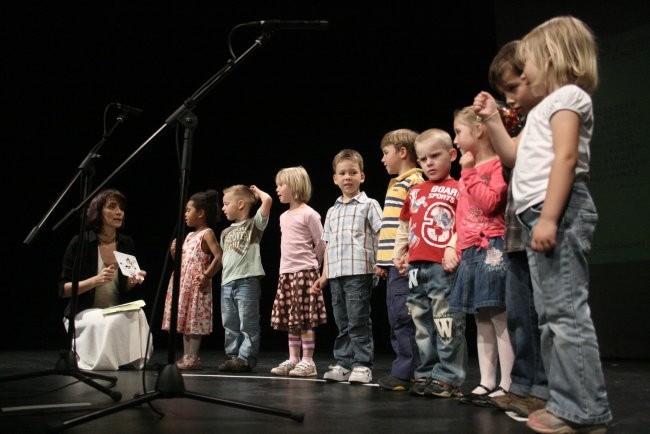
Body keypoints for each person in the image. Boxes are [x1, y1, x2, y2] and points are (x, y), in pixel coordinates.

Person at [474, 15, 612, 433]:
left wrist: (549, 217)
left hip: (560, 211)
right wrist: (493, 121)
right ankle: (571, 403)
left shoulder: (569, 96)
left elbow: (566, 159)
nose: (525, 69)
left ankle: (583, 409)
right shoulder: (542, 109)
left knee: (566, 316)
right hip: (538, 212)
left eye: (528, 61)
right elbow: (514, 157)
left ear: (550, 57)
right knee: (552, 318)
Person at [479, 40, 548, 417]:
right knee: (520, 313)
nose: (511, 99)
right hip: (516, 231)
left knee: (541, 315)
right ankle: (523, 386)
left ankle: (543, 387)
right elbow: (512, 168)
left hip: (537, 224)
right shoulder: (519, 124)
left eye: (513, 88)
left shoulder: (547, 117)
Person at [393, 128, 467, 398]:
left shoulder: (459, 188)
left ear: (452, 154)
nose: (429, 163)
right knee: (421, 322)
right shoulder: (415, 191)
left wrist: (452, 246)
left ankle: (449, 376)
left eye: (435, 156)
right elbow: (406, 225)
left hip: (441, 267)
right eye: (423, 159)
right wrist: (400, 253)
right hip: (415, 266)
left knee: (446, 320)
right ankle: (426, 372)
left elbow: (465, 222)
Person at [448, 107, 514, 406]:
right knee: (481, 317)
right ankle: (487, 381)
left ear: (478, 130)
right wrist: (457, 246)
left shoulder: (496, 164)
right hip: (471, 250)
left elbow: (489, 203)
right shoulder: (471, 168)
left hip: (493, 247)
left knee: (499, 315)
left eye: (459, 132)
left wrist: (468, 172)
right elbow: (462, 216)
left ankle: (508, 382)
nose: (455, 138)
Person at [311, 149, 383, 384]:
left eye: (353, 172)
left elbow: (382, 234)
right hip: (336, 275)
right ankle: (344, 362)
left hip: (359, 271)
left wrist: (381, 262)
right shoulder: (332, 211)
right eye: (342, 173)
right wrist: (324, 275)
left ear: (362, 176)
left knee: (358, 319)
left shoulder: (369, 205)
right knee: (342, 321)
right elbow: (328, 245)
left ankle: (362, 364)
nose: (347, 177)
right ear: (335, 178)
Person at [58, 188, 149, 371]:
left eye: (121, 208)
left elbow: (125, 288)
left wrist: (133, 281)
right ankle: (101, 361)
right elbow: (64, 289)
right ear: (98, 212)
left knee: (139, 314)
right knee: (104, 319)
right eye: (112, 207)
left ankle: (126, 360)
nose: (119, 212)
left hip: (114, 308)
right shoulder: (80, 243)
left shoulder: (126, 243)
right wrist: (96, 280)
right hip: (85, 311)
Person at [373, 129, 425, 391]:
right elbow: (392, 226)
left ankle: (408, 372)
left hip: (405, 266)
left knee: (405, 318)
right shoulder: (397, 183)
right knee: (396, 317)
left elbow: (413, 225)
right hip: (393, 265)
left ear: (402, 152)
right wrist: (382, 260)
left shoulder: (414, 181)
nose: (383, 159)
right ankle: (408, 369)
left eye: (386, 153)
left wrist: (403, 257)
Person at [269, 166, 327, 377]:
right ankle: (293, 359)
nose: (277, 189)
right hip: (287, 273)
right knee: (292, 319)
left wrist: (315, 268)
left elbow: (321, 244)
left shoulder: (310, 214)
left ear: (294, 186)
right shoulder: (283, 216)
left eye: (281, 184)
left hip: (305, 272)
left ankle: (308, 361)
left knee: (305, 319)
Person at [161, 189, 223, 371]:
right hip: (183, 284)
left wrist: (206, 275)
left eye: (189, 210)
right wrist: (174, 253)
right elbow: (184, 261)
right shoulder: (189, 236)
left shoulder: (207, 233)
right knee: (186, 321)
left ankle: (193, 356)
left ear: (201, 213)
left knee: (194, 320)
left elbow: (219, 256)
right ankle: (187, 356)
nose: (185, 214)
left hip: (196, 285)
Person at [218, 184, 272, 373]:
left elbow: (267, 201)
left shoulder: (254, 225)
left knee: (247, 322)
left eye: (226, 203)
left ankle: (245, 357)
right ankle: (233, 357)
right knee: (230, 322)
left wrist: (257, 193)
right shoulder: (225, 232)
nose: (223, 208)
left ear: (240, 204)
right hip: (227, 283)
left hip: (247, 281)